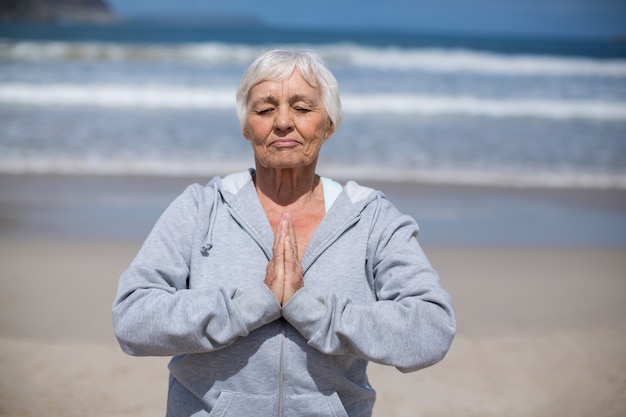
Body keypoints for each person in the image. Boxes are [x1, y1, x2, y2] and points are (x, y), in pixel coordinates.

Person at [112, 49, 455, 417]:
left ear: (329, 124)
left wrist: (310, 311)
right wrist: (251, 304)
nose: (283, 122)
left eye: (303, 108)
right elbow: (132, 318)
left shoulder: (370, 218)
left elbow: (431, 328)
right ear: (246, 127)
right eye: (264, 109)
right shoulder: (202, 208)